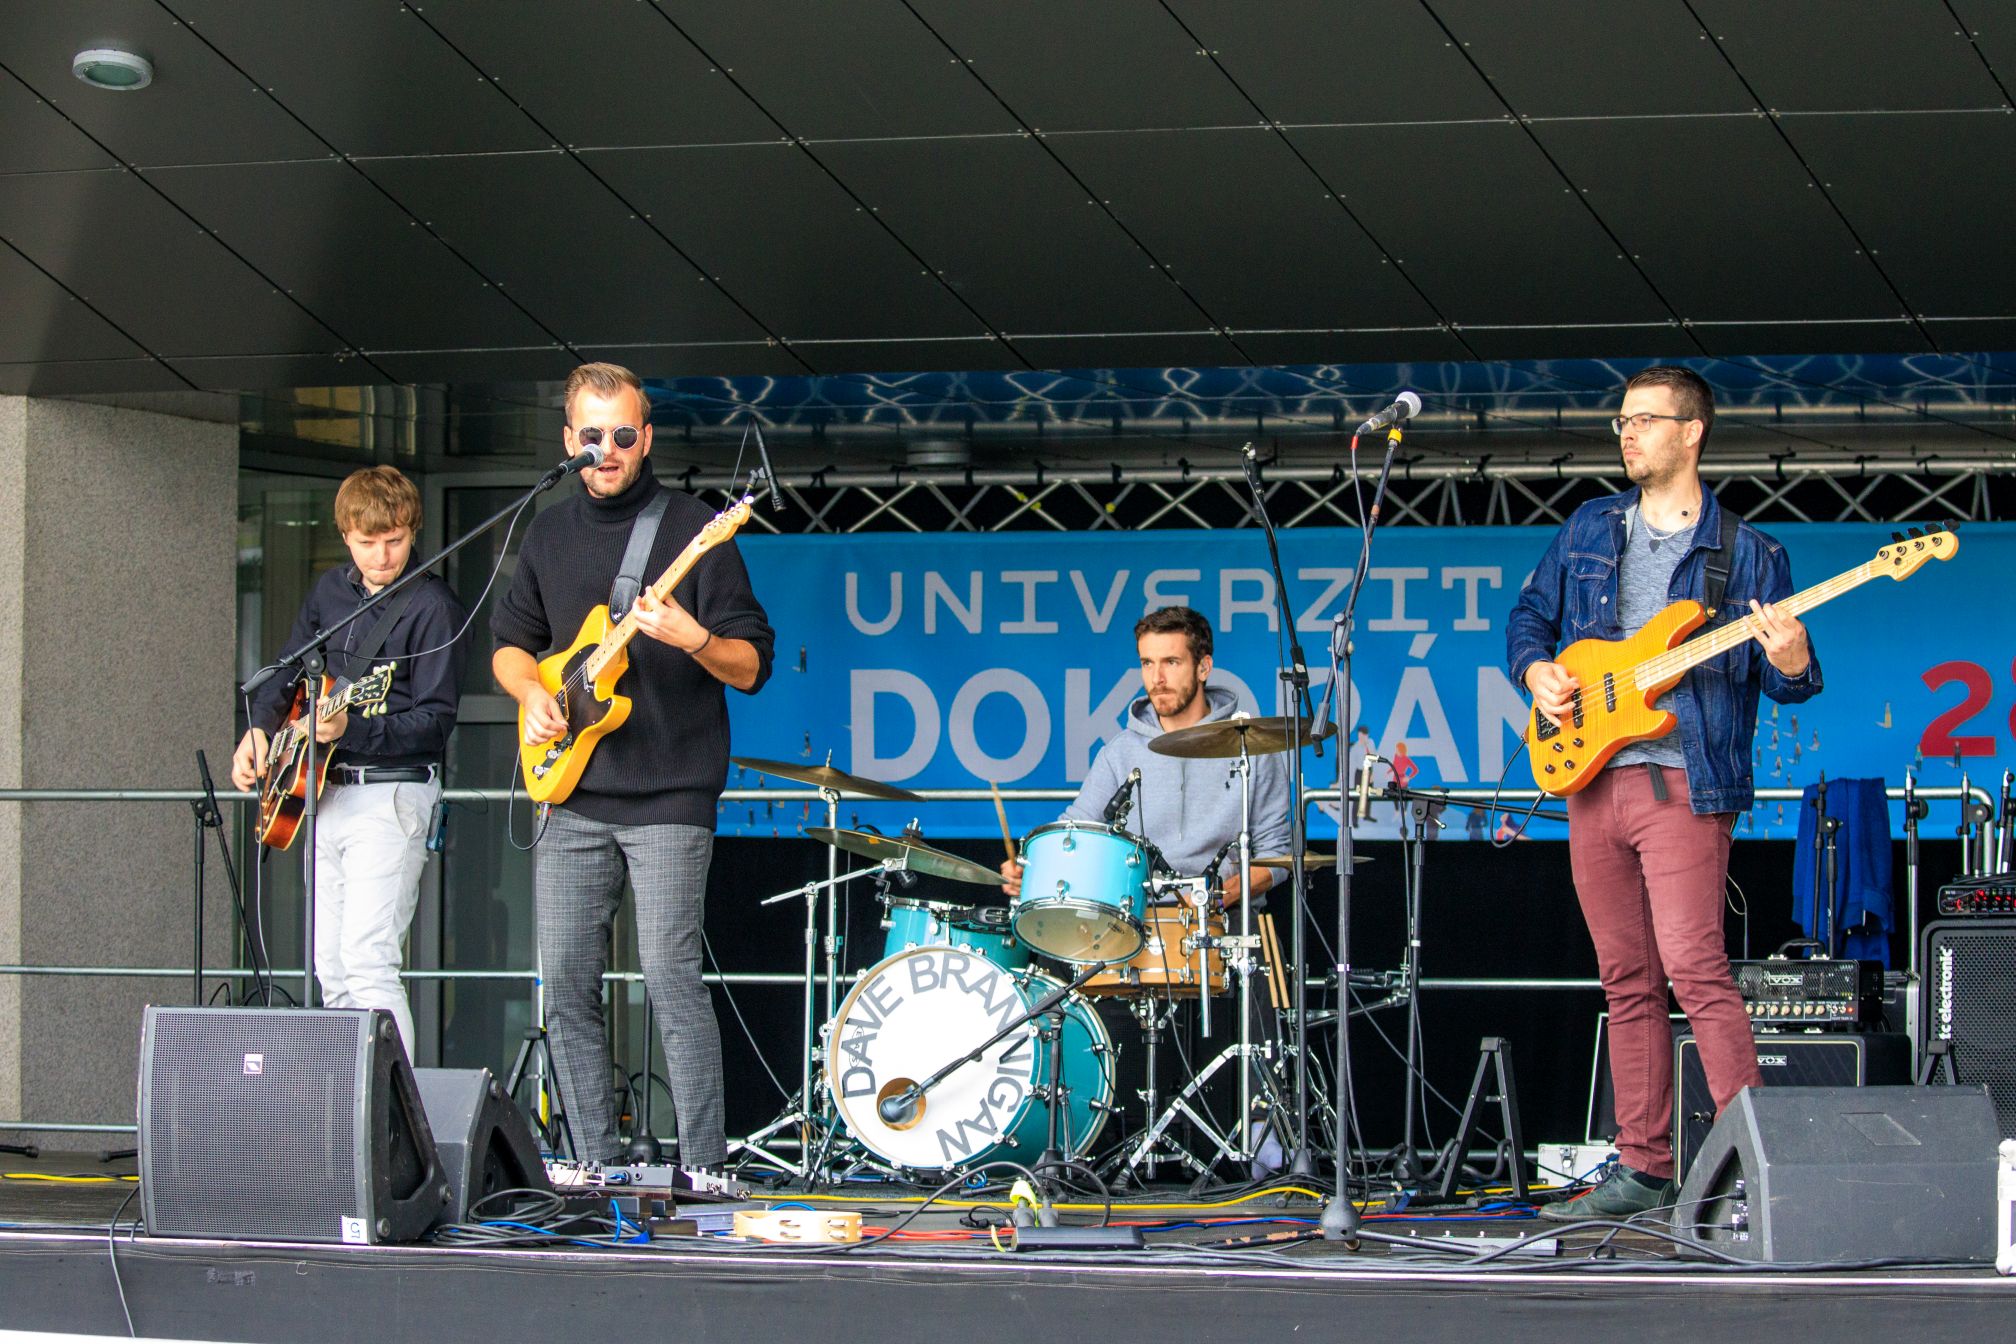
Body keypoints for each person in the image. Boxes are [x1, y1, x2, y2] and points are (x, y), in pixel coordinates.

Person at [1507, 365, 1821, 1220]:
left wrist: (1792, 657)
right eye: (1622, 420)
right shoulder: (1588, 525)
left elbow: (1789, 681)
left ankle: (1757, 1169)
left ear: (1691, 432)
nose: (1627, 433)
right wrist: (1537, 672)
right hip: (1591, 776)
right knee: (1625, 977)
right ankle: (1643, 1169)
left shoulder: (1750, 552)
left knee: (1695, 969)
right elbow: (1528, 620)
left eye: (1645, 420)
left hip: (1685, 781)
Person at [492, 361, 773, 1184]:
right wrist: (532, 696)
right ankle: (592, 1163)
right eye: (592, 435)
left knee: (672, 980)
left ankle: (705, 1166)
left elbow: (753, 665)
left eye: (622, 434)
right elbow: (509, 645)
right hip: (572, 789)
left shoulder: (694, 530)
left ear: (646, 438)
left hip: (671, 791)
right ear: (568, 441)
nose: (607, 448)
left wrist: (693, 638)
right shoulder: (547, 533)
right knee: (565, 982)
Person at [233, 466, 467, 1056]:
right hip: (326, 792)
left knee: (369, 964)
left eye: (395, 540)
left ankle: (395, 1110)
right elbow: (286, 670)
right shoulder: (328, 594)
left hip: (391, 795)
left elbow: (436, 723)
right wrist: (259, 730)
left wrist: (350, 727)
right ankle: (348, 1102)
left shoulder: (433, 606)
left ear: (413, 531)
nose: (383, 556)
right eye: (368, 542)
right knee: (332, 970)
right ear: (345, 536)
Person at [1001, 604, 1292, 913]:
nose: (1157, 678)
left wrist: (1217, 896)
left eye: (1171, 662)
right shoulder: (1119, 752)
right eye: (1147, 663)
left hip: (1225, 917)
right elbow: (1075, 832)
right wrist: (1033, 866)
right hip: (1136, 920)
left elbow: (1277, 855)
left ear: (1203, 668)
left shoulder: (1251, 747)